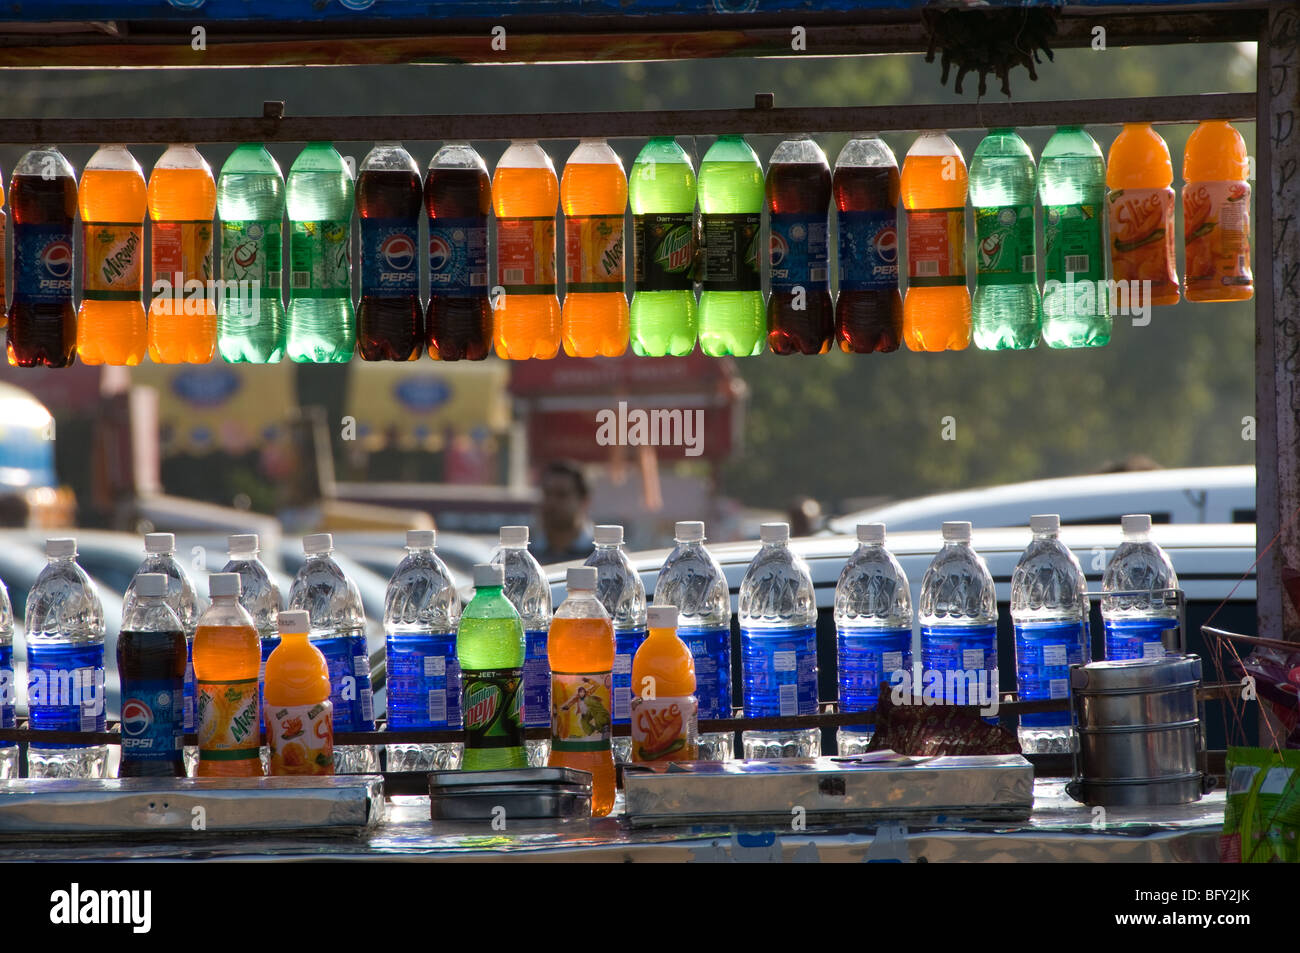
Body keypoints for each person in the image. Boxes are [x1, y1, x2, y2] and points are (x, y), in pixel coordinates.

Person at [533, 460, 595, 565]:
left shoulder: (604, 557)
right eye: (547, 494)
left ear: (584, 501)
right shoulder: (526, 555)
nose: (551, 503)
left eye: (561, 495)